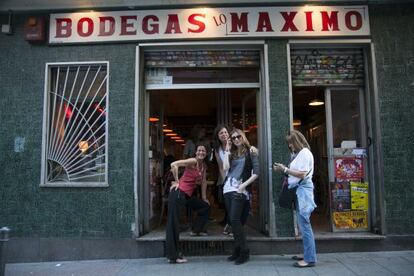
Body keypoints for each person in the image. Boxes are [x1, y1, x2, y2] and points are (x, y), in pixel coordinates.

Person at [273, 130, 317, 268]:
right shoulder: (299, 154)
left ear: (297, 141)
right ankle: (307, 254)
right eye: (289, 143)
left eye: (291, 142)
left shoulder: (304, 153)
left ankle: (310, 259)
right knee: (303, 224)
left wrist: (284, 169)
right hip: (300, 191)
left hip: (303, 190)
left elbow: (302, 174)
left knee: (304, 224)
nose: (290, 145)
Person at [165, 144, 210, 264]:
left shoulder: (203, 166)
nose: (201, 152)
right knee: (173, 224)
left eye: (203, 150)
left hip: (186, 196)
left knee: (205, 206)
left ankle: (196, 230)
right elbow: (174, 164)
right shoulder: (193, 161)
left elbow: (204, 181)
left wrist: (205, 197)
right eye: (199, 150)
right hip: (178, 193)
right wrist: (177, 181)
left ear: (206, 154)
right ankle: (173, 256)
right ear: (195, 152)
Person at [222, 128, 259, 265]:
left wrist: (243, 186)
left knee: (235, 220)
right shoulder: (232, 153)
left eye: (238, 136)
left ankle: (244, 251)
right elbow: (226, 168)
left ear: (243, 136)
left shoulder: (251, 151)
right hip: (227, 189)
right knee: (233, 221)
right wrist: (227, 149)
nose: (236, 139)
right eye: (233, 138)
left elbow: (256, 172)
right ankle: (237, 250)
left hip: (240, 190)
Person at [212, 125, 232, 234]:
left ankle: (231, 223)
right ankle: (228, 222)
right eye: (221, 133)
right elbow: (220, 166)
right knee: (226, 201)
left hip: (236, 177)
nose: (224, 134)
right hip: (225, 178)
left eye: (225, 132)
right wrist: (225, 181)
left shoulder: (233, 144)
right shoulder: (217, 149)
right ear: (218, 136)